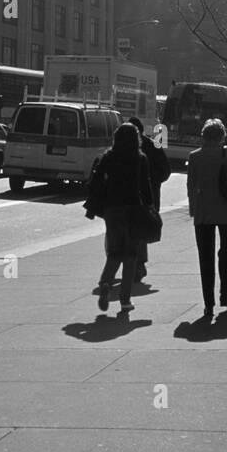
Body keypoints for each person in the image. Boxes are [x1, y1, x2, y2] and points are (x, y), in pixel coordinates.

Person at [187, 117, 227, 318]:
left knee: (205, 257)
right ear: (222, 135)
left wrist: (193, 208)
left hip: (204, 213)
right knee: (226, 252)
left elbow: (191, 187)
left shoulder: (195, 157)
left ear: (204, 136)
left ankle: (209, 302)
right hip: (226, 210)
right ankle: (225, 292)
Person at [93, 122, 153, 314]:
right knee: (130, 255)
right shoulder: (140, 158)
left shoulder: (108, 157)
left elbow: (95, 181)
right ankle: (125, 300)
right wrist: (150, 207)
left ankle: (105, 282)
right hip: (133, 208)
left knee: (114, 251)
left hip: (112, 209)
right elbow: (146, 187)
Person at [129, 115, 171, 281]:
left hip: (141, 198)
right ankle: (137, 263)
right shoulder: (152, 146)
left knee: (135, 232)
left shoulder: (151, 147)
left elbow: (164, 170)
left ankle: (135, 264)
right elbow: (165, 171)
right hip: (148, 197)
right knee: (139, 233)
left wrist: (151, 181)